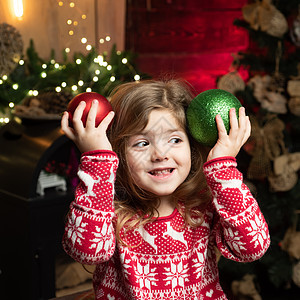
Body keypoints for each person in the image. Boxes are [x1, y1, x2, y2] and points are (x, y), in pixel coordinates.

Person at [61, 79, 270, 300]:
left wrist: (223, 166)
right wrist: (97, 161)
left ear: (192, 147)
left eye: (175, 139)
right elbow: (86, 251)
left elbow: (253, 247)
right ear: (119, 153)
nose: (160, 154)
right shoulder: (107, 209)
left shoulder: (205, 204)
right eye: (142, 143)